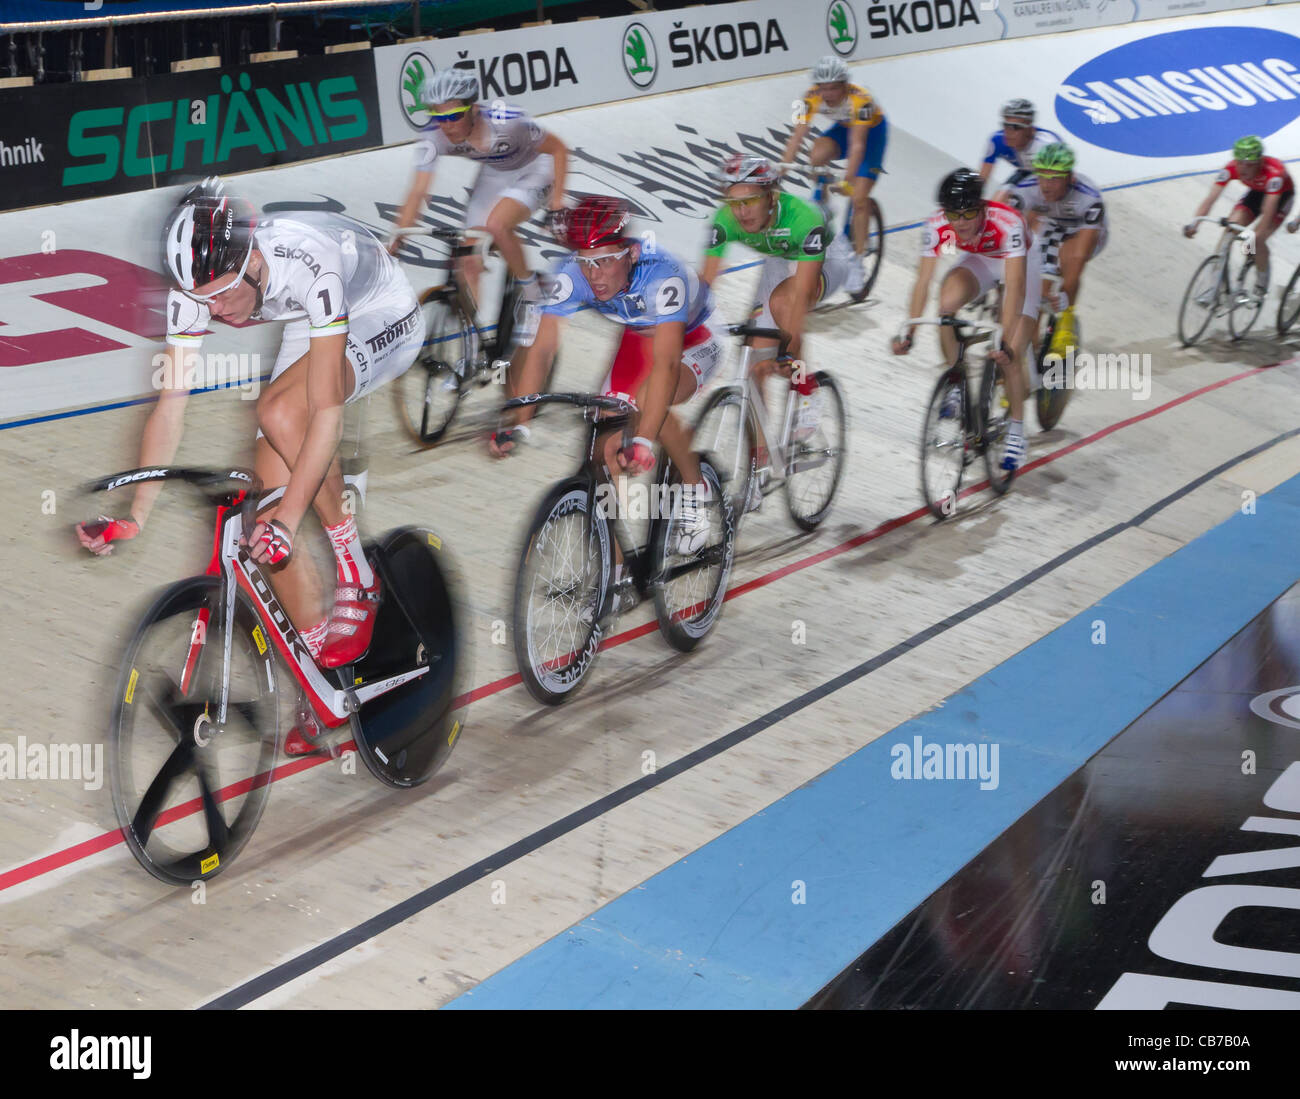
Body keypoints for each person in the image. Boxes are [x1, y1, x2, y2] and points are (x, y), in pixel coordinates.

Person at [76, 179, 425, 751]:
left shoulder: (309, 261)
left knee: (283, 411)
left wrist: (297, 519)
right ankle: (322, 680)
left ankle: (356, 573)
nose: (212, 312)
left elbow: (326, 417)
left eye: (221, 295)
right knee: (265, 515)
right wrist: (135, 515)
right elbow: (171, 406)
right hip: (307, 326)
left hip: (379, 313)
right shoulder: (196, 289)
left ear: (254, 260)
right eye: (201, 300)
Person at [494, 196, 725, 596]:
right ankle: (615, 574)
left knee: (653, 399)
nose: (594, 274)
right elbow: (542, 349)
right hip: (639, 336)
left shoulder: (662, 277)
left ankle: (694, 491)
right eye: (585, 261)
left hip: (693, 338)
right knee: (602, 449)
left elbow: (668, 366)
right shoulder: (572, 274)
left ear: (631, 253)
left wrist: (643, 440)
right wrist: (521, 422)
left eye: (604, 260)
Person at [699, 153, 849, 509]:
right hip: (779, 259)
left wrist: (790, 353)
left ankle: (807, 390)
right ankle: (758, 467)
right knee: (751, 364)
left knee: (784, 310)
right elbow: (704, 286)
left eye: (750, 200)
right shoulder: (724, 219)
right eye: (734, 202)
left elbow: (796, 307)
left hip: (826, 258)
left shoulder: (804, 218)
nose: (741, 211)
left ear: (772, 196)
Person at [892, 168, 1041, 472]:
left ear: (983, 207)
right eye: (953, 215)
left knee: (1009, 354)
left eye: (969, 213)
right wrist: (911, 331)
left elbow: (1015, 286)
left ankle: (1015, 431)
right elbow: (923, 281)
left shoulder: (1007, 223)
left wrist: (1006, 337)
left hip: (1021, 264)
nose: (960, 223)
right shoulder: (937, 225)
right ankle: (957, 382)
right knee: (945, 307)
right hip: (982, 261)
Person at [389, 67, 569, 310]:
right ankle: (472, 339)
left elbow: (559, 148)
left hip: (536, 166)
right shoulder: (433, 136)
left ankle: (534, 295)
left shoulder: (508, 122)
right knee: (468, 259)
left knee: (497, 224)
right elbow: (417, 191)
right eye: (439, 118)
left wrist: (557, 203)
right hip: (495, 172)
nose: (447, 126)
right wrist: (397, 240)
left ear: (473, 109)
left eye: (454, 116)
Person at [780, 55, 887, 294]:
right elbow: (796, 137)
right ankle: (822, 204)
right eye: (823, 88)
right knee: (817, 152)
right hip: (845, 129)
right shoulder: (810, 96)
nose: (827, 93)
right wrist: (781, 171)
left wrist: (849, 181)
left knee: (859, 199)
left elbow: (858, 145)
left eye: (833, 87)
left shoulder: (862, 100)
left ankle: (857, 262)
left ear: (845, 85)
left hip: (872, 135)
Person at [1003, 142, 1106, 358]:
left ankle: (1066, 322)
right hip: (1051, 227)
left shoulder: (1088, 197)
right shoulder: (1027, 190)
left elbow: (1080, 255)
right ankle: (1030, 352)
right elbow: (1008, 228)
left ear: (1070, 177)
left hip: (1085, 233)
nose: (1047, 185)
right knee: (1035, 287)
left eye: (1055, 178)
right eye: (1042, 176)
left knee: (1071, 259)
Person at [1184, 135, 1295, 303]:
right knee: (1230, 230)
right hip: (1256, 193)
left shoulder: (1274, 172)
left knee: (1254, 240)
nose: (1243, 169)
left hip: (1280, 199)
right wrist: (1195, 223)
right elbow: (1210, 198)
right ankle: (1213, 288)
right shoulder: (1231, 168)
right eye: (1240, 162)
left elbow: (1268, 209)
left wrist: (1257, 235)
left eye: (1249, 165)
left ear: (1259, 162)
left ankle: (1261, 282)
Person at [978, 98, 1061, 200]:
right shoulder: (998, 140)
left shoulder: (1048, 145)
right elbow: (982, 180)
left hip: (1051, 179)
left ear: (1029, 128)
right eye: (1006, 125)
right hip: (1026, 172)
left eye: (1015, 127)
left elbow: (1061, 183)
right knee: (999, 200)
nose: (1008, 132)